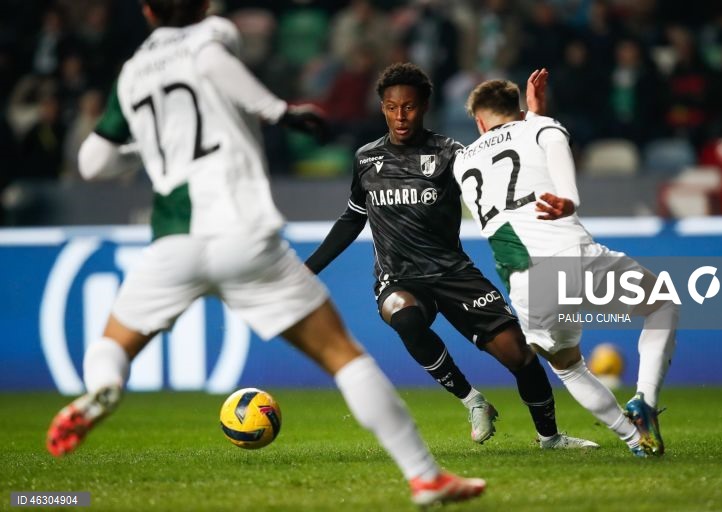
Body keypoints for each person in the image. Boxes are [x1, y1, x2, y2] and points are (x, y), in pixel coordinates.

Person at [45, 2, 487, 506]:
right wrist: (283, 111)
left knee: (115, 344)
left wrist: (150, 144)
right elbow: (212, 64)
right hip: (240, 233)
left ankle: (101, 389)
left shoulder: (131, 75)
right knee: (344, 358)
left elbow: (92, 160)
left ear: (144, 10)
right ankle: (424, 476)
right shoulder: (211, 34)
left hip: (171, 243)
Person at [305, 62, 597, 450]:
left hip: (452, 272)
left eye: (408, 106)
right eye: (391, 107)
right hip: (399, 277)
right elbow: (351, 219)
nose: (400, 115)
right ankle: (472, 400)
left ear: (424, 105)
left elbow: (498, 197)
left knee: (519, 356)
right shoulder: (366, 160)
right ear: (382, 108)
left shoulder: (452, 155)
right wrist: (308, 269)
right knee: (405, 317)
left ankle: (550, 437)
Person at [453, 77, 678, 457]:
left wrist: (533, 117)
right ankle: (645, 402)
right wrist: (569, 198)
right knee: (662, 304)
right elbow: (549, 158)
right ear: (519, 108)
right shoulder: (542, 127)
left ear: (478, 122)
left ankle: (634, 439)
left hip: (526, 282)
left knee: (568, 366)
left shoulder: (462, 161)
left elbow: (506, 158)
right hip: (569, 253)